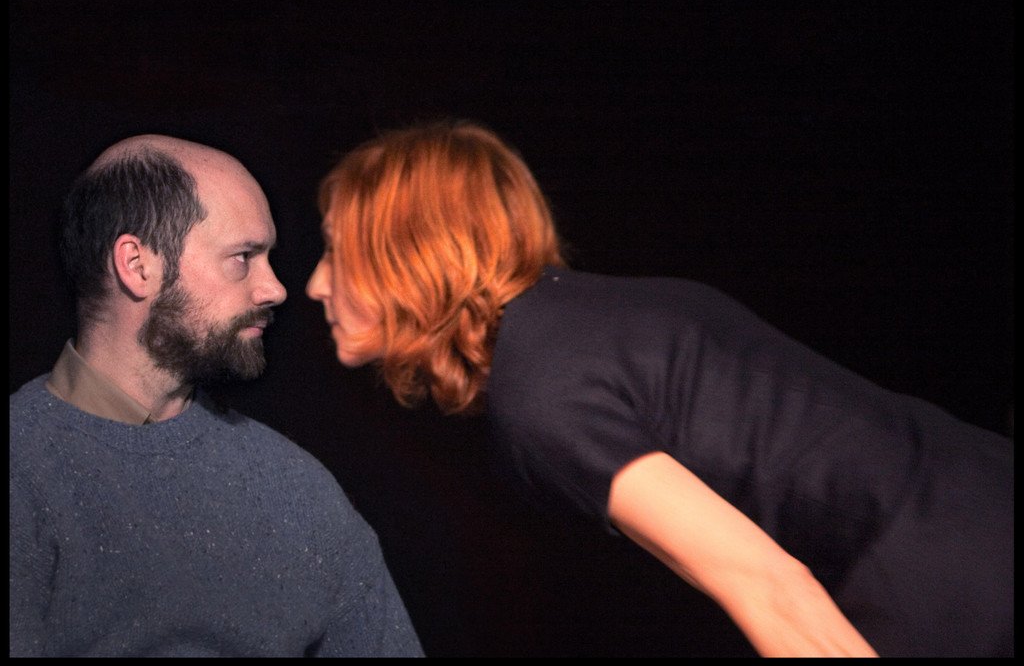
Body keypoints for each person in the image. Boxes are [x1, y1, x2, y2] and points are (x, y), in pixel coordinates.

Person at [305, 119, 1013, 658]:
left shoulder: (539, 390)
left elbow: (769, 585)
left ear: (407, 252)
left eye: (336, 249)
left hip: (947, 576)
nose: (315, 284)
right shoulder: (585, 316)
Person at [9, 135, 423, 658]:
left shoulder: (296, 489)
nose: (275, 289)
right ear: (137, 265)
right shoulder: (23, 469)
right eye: (243, 257)